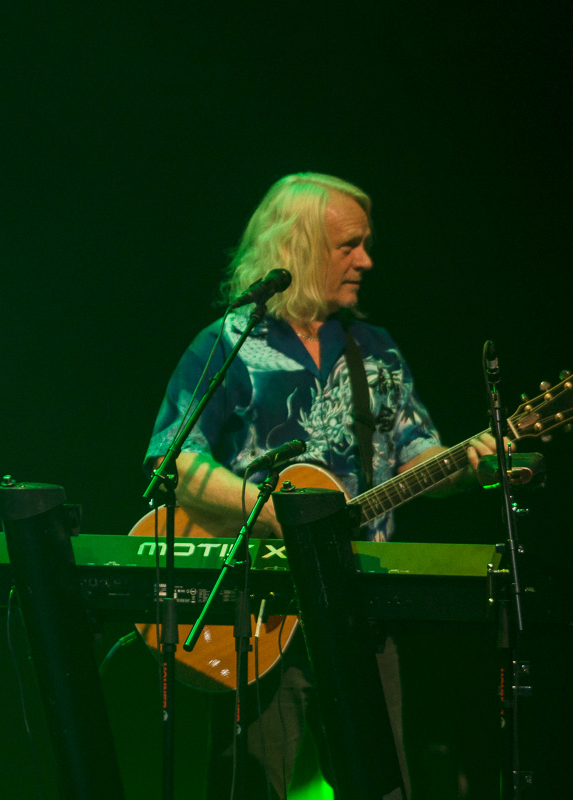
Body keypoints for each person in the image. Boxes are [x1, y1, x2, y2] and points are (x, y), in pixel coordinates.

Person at [141, 173, 499, 798]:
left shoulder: (375, 350)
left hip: (361, 611)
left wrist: (469, 466)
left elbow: (416, 461)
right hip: (260, 610)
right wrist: (270, 512)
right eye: (348, 246)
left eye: (365, 245)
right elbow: (173, 463)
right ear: (298, 247)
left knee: (382, 788)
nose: (366, 260)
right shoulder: (228, 343)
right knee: (249, 788)